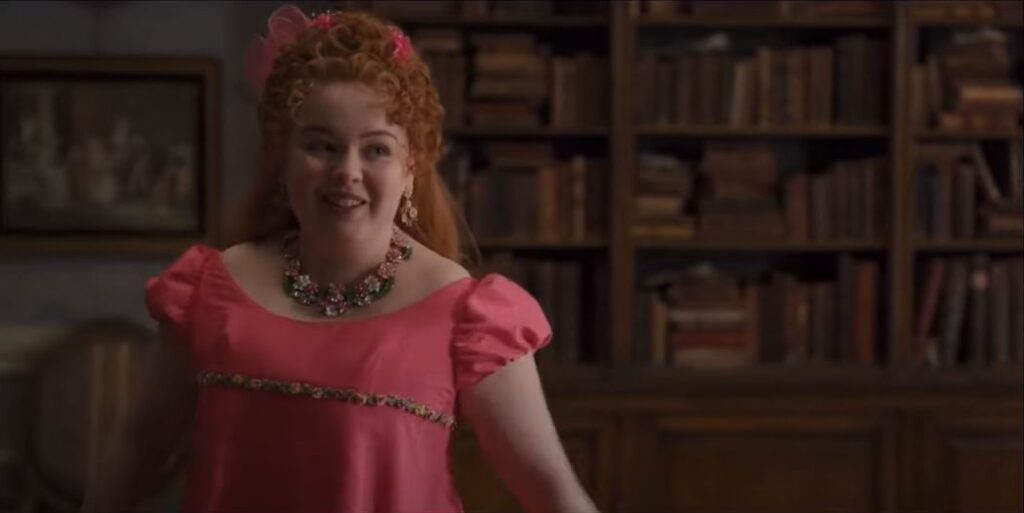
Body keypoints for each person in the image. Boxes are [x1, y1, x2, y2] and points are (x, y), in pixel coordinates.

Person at [81, 5, 599, 513]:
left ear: (410, 169)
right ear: (282, 159)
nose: (347, 171)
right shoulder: (209, 288)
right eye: (321, 146)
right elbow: (139, 445)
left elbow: (551, 490)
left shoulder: (468, 314)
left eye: (376, 150)